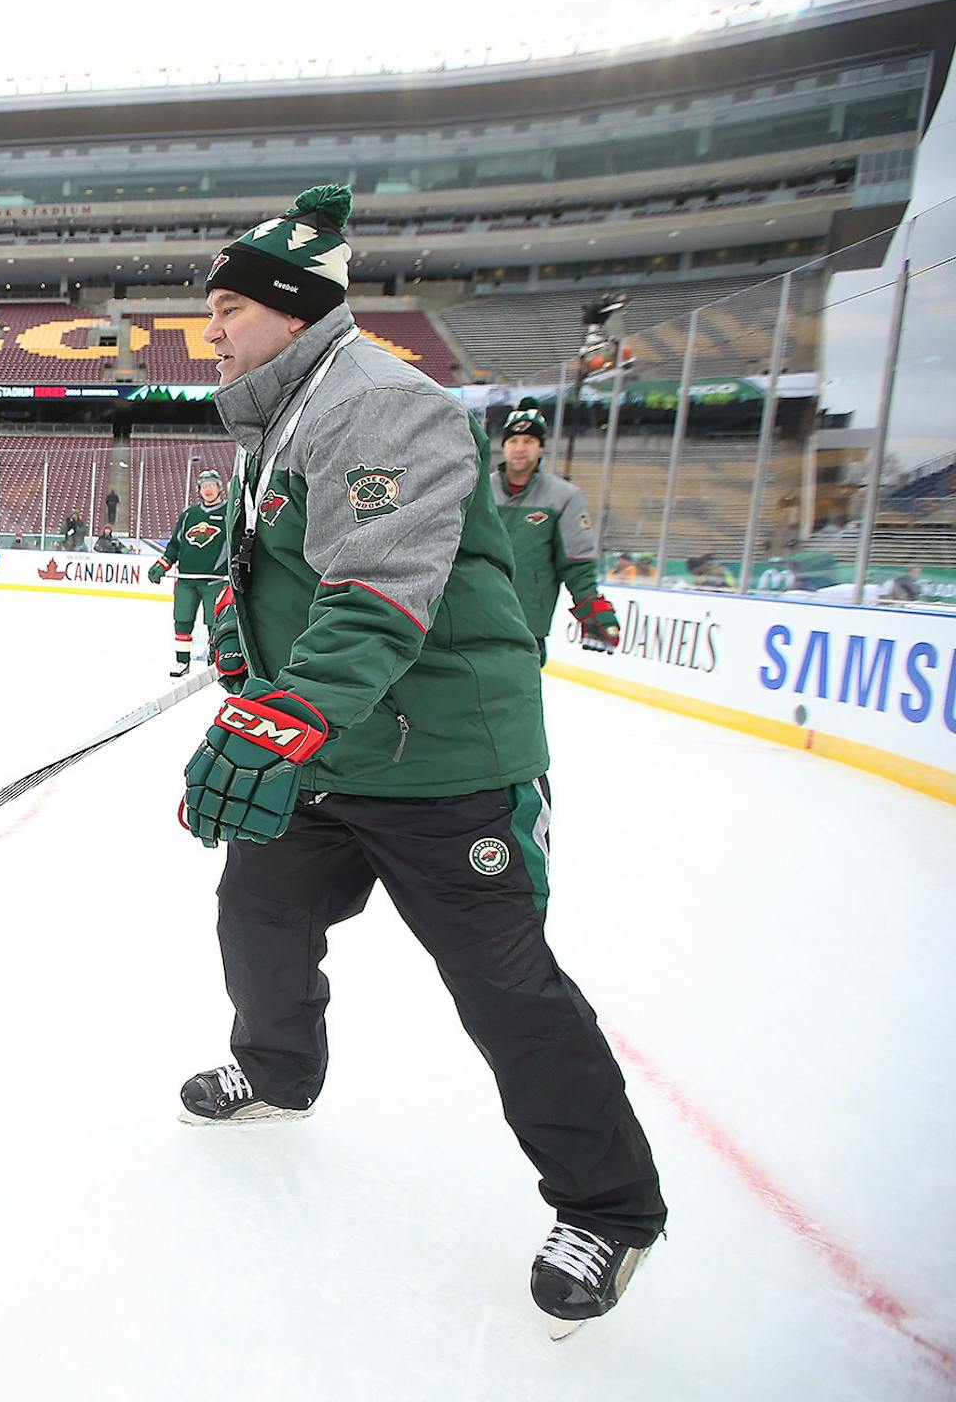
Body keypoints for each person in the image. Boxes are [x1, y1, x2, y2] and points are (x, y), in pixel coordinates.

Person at [176, 184, 664, 1335]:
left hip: (445, 761)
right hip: (336, 750)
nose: (211, 329)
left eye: (229, 307)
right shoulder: (284, 414)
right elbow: (290, 570)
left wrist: (288, 710)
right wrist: (245, 657)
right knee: (259, 917)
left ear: (295, 311)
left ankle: (610, 1206)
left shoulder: (383, 401)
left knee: (505, 988)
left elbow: (382, 586)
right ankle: (281, 1071)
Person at [489, 401, 618, 661]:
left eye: (528, 440)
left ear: (541, 447)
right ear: (503, 446)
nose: (520, 448)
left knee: (518, 700)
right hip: (473, 621)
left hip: (525, 627)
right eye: (513, 440)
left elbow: (577, 565)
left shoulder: (564, 497)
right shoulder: (481, 491)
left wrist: (591, 606)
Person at [148, 468, 231, 677]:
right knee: (182, 620)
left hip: (215, 580)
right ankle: (182, 662)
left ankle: (215, 661)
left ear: (220, 488)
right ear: (199, 490)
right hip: (186, 579)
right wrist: (162, 564)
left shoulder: (229, 512)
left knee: (215, 622)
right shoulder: (189, 515)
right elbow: (175, 544)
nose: (208, 490)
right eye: (204, 486)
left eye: (212, 485)